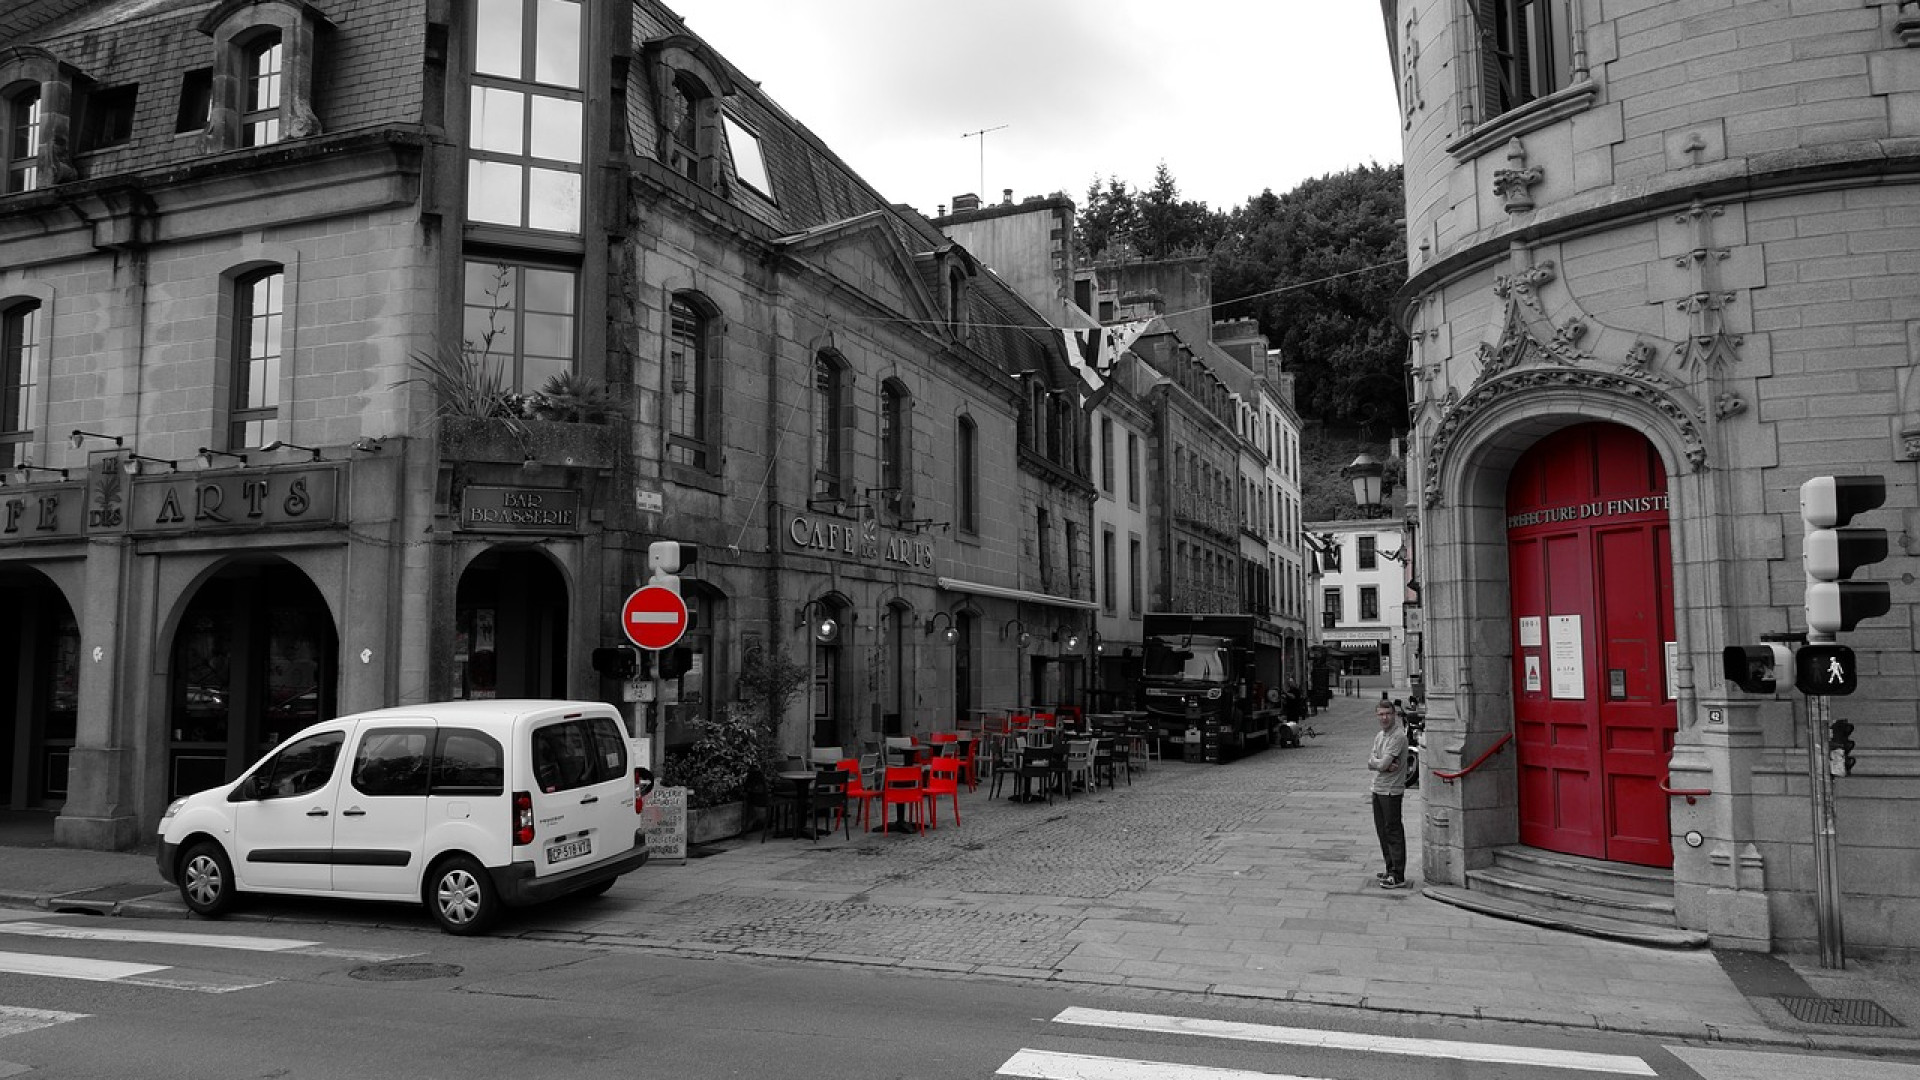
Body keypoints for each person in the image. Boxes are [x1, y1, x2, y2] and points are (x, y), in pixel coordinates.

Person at [1367, 696, 1409, 889]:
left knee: (1393, 831)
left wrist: (1380, 763)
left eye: (1388, 714)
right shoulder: (1379, 736)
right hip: (1377, 788)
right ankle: (1389, 867)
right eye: (1381, 715)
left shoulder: (1398, 736)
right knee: (1382, 831)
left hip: (1391, 791)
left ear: (1394, 715)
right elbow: (1372, 762)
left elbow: (1382, 763)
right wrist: (1380, 764)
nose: (1384, 718)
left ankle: (1397, 874)